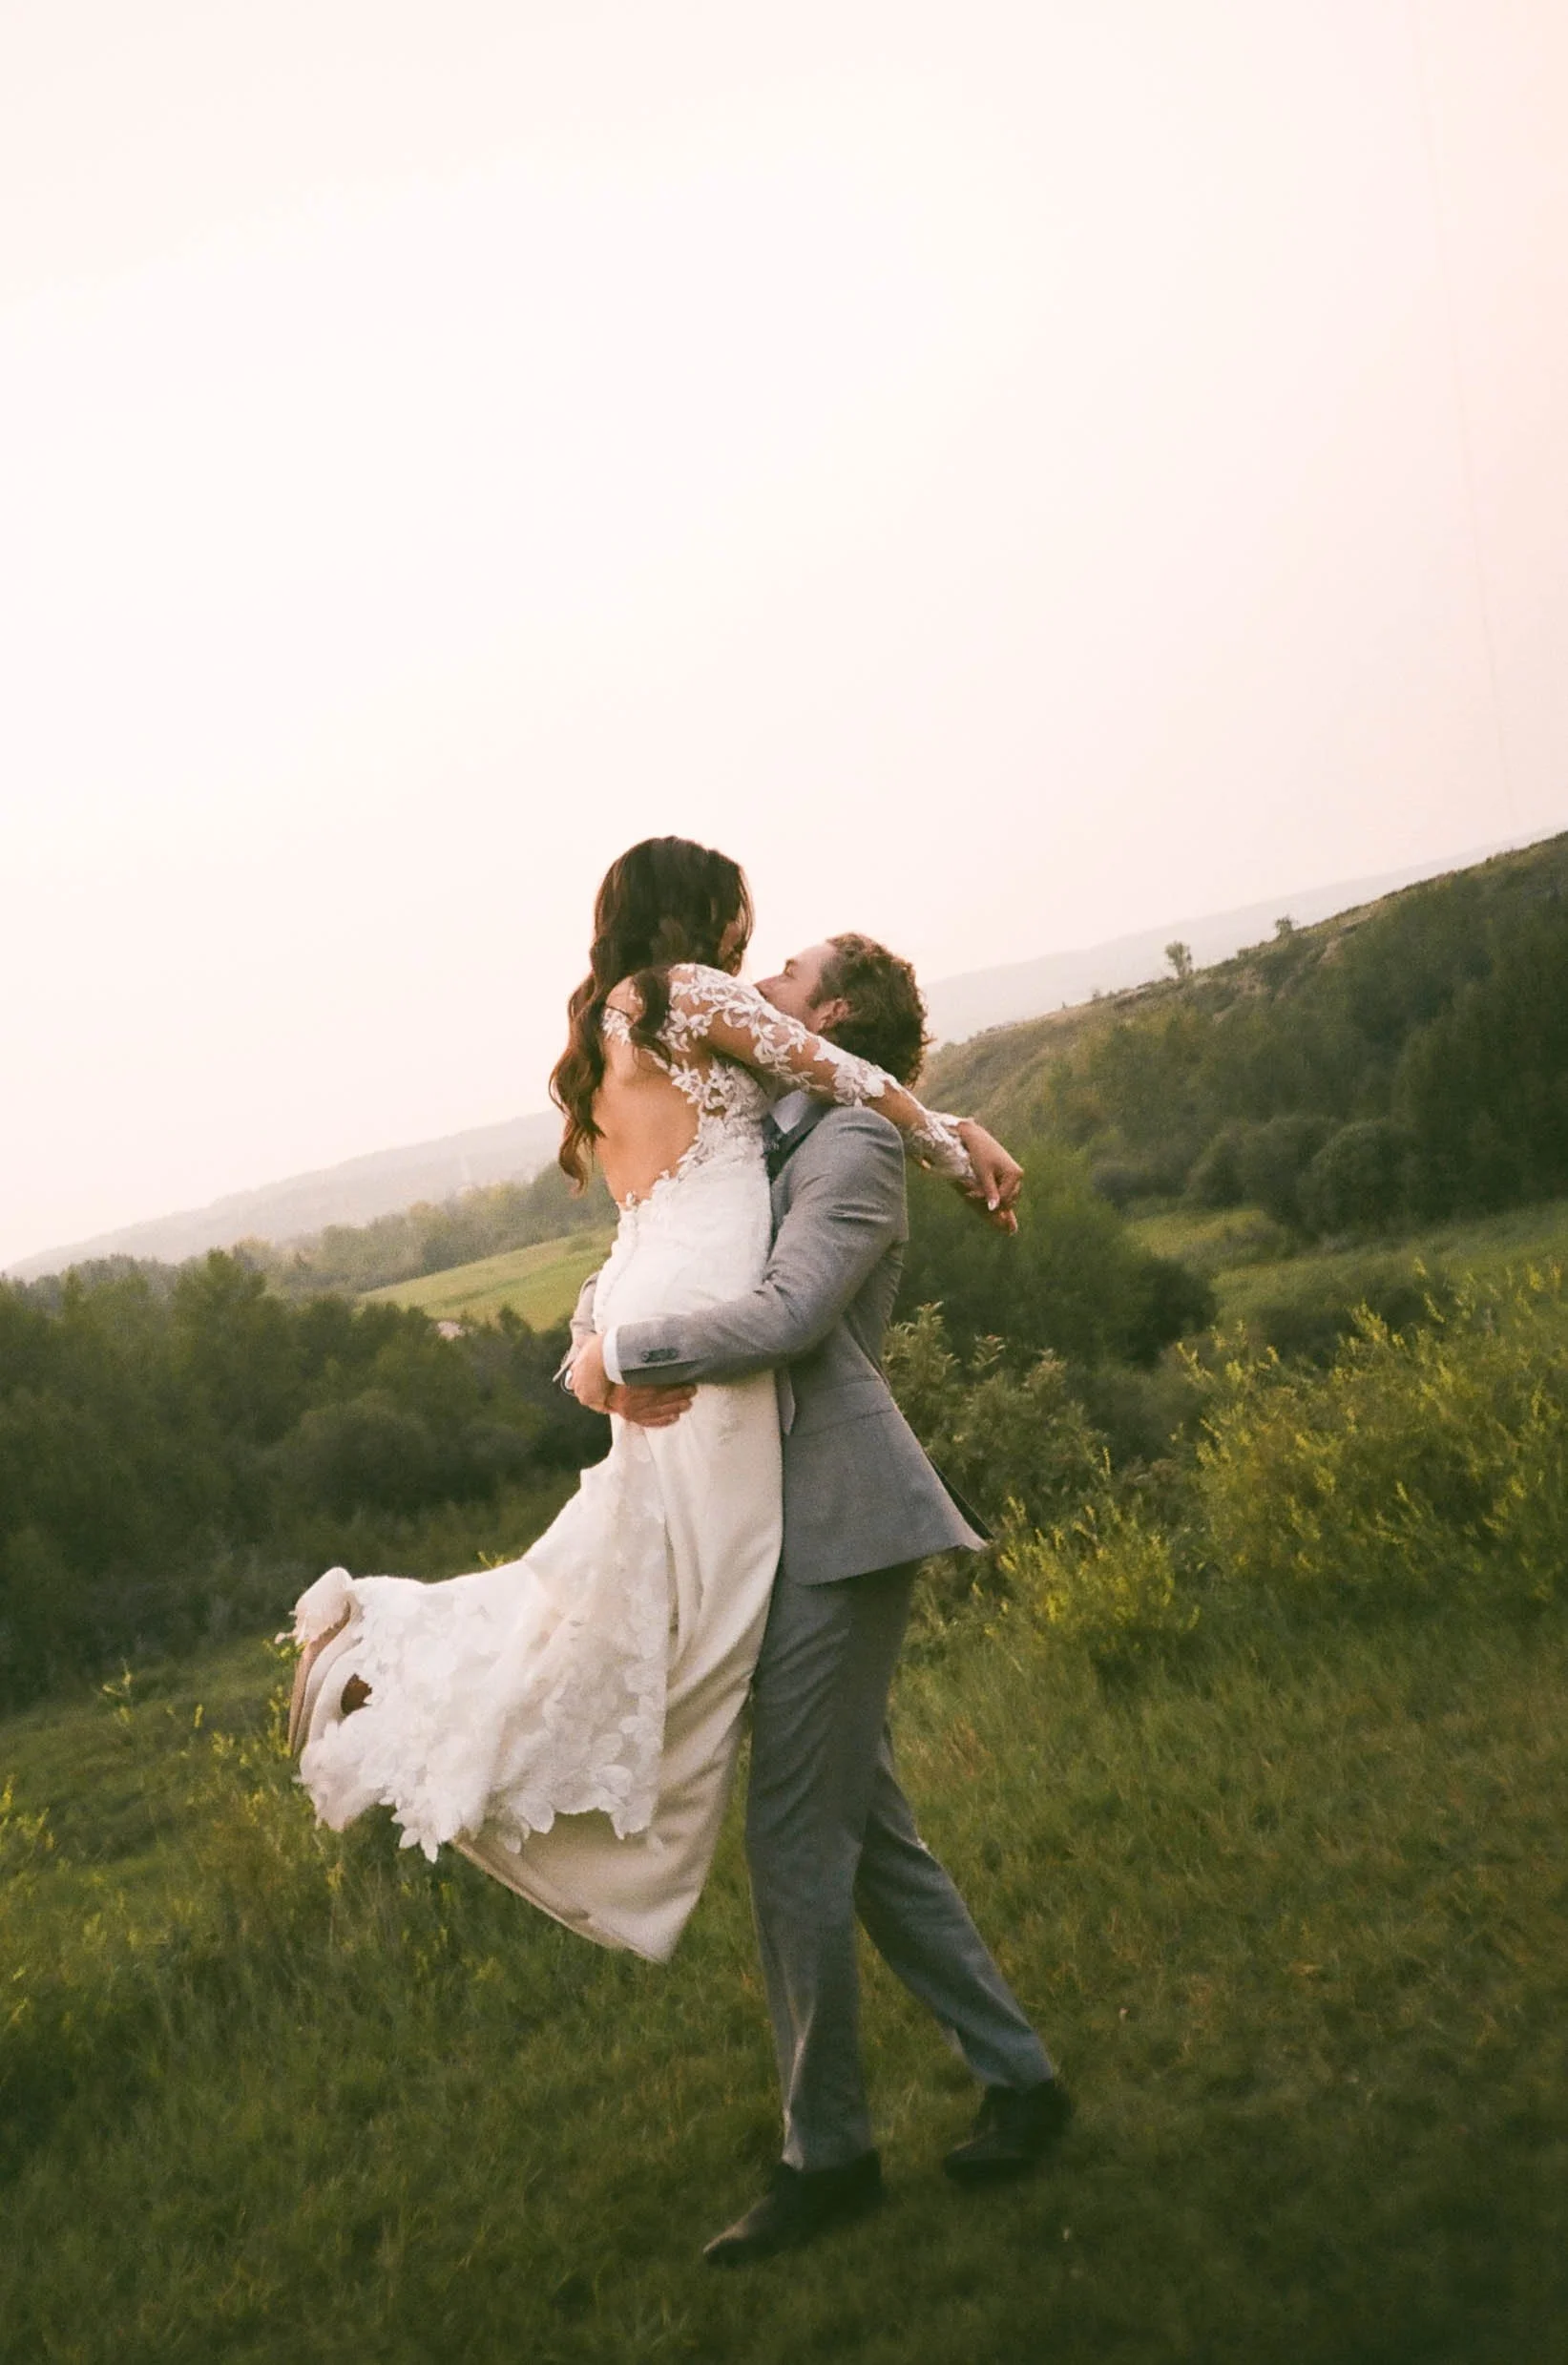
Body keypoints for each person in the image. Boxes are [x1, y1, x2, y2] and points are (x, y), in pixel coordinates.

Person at [286, 837, 1019, 1969]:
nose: (753, 950)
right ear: (704, 915)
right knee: (694, 1615)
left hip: (661, 1297)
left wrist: (598, 1335)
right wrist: (959, 1150)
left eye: (782, 959)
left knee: (641, 1581)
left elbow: (674, 1198)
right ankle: (401, 1656)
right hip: (688, 1328)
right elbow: (853, 1077)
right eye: (743, 919)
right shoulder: (688, 993)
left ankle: (415, 1662)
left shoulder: (630, 1024)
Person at [567, 931, 1068, 2265]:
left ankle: (827, 2156)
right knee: (871, 1841)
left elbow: (786, 1315)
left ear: (834, 1011)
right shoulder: (775, 1121)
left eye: (785, 971)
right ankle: (1021, 2080)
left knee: (794, 1848)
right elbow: (667, 1222)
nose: (760, 986)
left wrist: (625, 1353)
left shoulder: (847, 1142)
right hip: (764, 1521)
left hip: (837, 1527)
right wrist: (588, 1333)